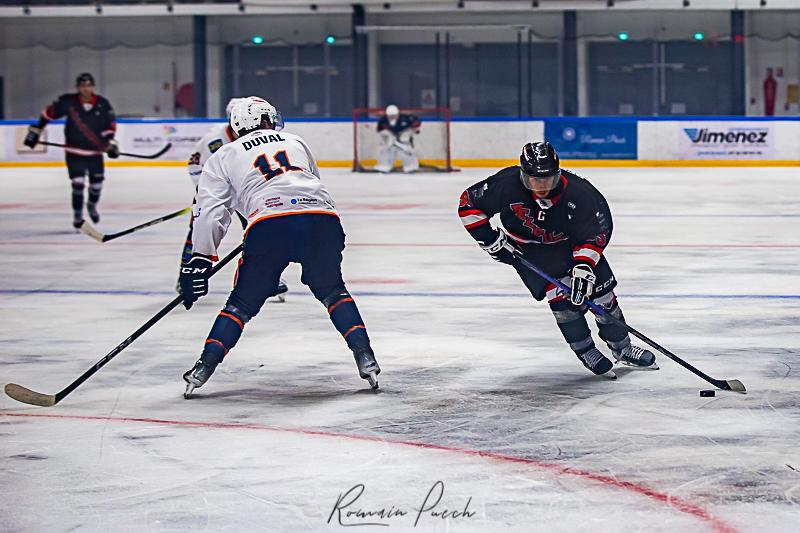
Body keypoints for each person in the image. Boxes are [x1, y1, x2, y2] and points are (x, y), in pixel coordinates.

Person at [179, 96, 380, 397]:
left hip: (270, 225)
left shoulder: (223, 155)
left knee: (241, 304)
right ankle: (366, 358)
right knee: (333, 291)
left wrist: (201, 258)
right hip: (322, 219)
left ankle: (202, 368)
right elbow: (310, 182)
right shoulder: (295, 140)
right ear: (266, 119)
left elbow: (211, 213)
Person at [458, 141, 658, 379]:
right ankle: (586, 351)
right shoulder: (506, 184)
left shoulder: (580, 192)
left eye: (548, 179)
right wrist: (489, 239)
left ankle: (623, 348)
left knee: (604, 298)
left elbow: (598, 231)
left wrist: (584, 265)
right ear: (523, 174)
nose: (542, 186)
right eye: (535, 180)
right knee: (563, 304)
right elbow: (468, 203)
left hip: (572, 246)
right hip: (531, 252)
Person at [181, 97, 287, 300]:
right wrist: (206, 192)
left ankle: (269, 277)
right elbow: (195, 165)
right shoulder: (215, 140)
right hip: (217, 188)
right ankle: (186, 275)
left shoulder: (258, 138)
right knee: (199, 230)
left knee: (262, 231)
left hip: (247, 192)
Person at [23, 73, 119, 229]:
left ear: (92, 86)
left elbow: (110, 126)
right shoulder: (69, 102)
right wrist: (37, 130)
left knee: (97, 185)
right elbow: (48, 113)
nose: (85, 89)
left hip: (95, 153)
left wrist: (110, 144)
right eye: (82, 86)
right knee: (78, 183)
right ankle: (78, 216)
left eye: (88, 85)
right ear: (78, 87)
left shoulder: (103, 104)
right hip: (74, 152)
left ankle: (92, 205)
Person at [375, 104, 421, 173]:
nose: (392, 117)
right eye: (390, 116)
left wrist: (414, 130)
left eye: (394, 115)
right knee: (387, 149)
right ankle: (384, 166)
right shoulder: (383, 120)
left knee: (406, 150)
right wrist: (387, 135)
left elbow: (416, 124)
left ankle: (410, 167)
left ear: (398, 114)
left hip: (403, 137)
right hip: (391, 137)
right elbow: (380, 130)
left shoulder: (406, 118)